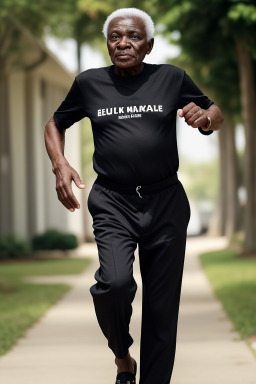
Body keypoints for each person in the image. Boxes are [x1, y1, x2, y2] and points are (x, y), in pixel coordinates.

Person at [44, 7, 224, 384]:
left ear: (149, 45)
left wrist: (204, 119)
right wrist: (60, 164)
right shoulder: (89, 83)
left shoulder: (171, 77)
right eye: (115, 37)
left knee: (161, 308)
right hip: (112, 200)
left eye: (134, 37)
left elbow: (214, 111)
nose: (123, 43)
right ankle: (122, 354)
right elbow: (55, 123)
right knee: (114, 284)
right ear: (107, 43)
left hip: (165, 202)